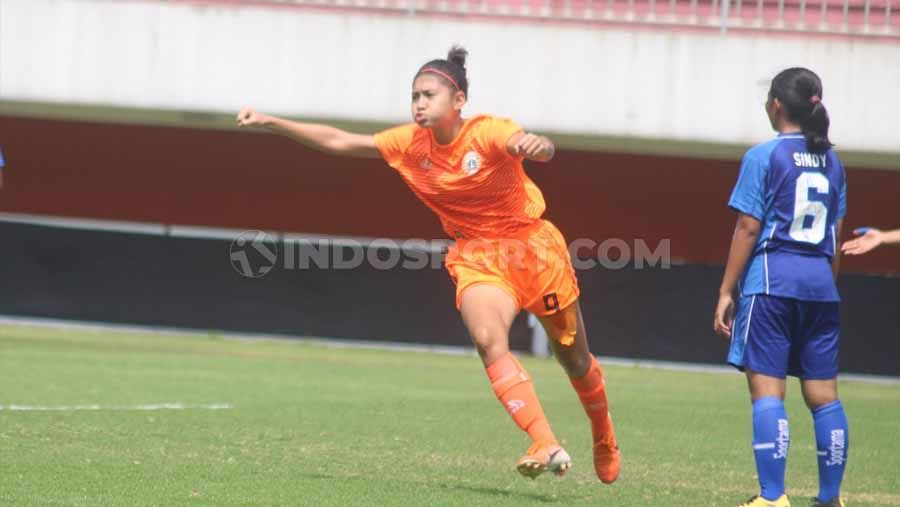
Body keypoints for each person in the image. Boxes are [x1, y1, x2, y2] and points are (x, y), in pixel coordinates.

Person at [236, 46, 620, 483]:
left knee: (575, 361)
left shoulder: (489, 131)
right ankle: (544, 440)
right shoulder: (408, 144)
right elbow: (341, 141)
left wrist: (539, 145)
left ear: (458, 100)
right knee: (486, 337)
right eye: (414, 95)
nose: (418, 103)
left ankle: (604, 435)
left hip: (532, 248)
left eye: (428, 94)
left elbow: (532, 146)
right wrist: (271, 122)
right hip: (478, 256)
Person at [713, 68, 849, 507]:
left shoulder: (764, 156)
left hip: (772, 281)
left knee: (768, 392)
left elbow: (748, 228)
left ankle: (772, 498)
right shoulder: (834, 162)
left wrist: (726, 290)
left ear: (776, 105)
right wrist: (824, 287)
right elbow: (835, 236)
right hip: (820, 286)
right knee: (824, 396)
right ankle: (830, 499)